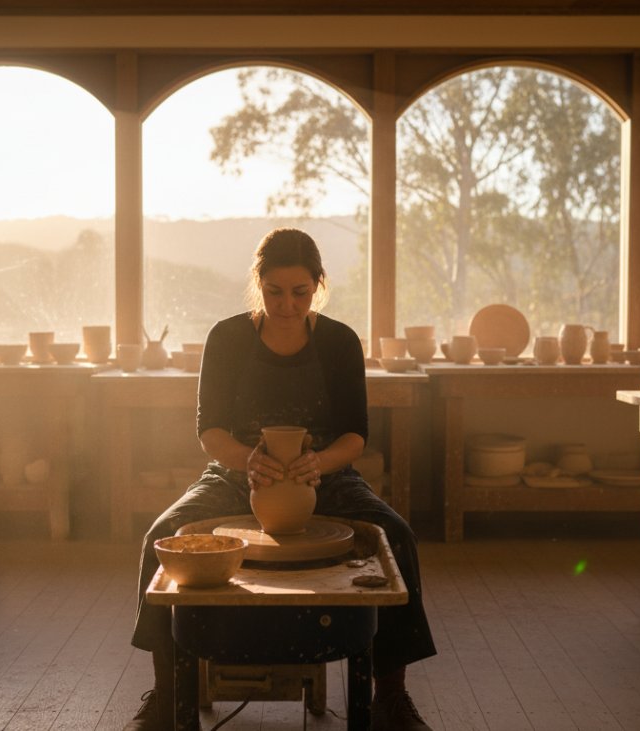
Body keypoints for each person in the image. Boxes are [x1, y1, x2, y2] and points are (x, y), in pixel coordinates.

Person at [125, 227, 436, 731]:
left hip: (323, 474)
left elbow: (356, 435)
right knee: (161, 538)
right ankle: (164, 696)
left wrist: (320, 463)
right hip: (235, 471)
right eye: (274, 292)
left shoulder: (338, 341)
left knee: (395, 535)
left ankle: (391, 697)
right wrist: (248, 459)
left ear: (318, 285)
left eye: (300, 292)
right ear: (258, 282)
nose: (287, 305)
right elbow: (210, 430)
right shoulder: (227, 338)